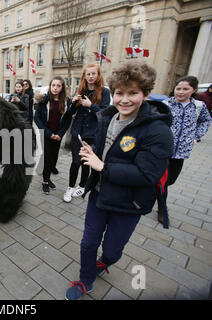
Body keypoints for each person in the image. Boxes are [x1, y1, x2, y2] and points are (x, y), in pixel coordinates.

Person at [65, 61, 173, 300]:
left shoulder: (158, 130)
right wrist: (92, 150)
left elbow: (148, 174)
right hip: (100, 195)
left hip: (129, 204)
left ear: (145, 93)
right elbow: (105, 148)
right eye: (119, 93)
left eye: (133, 93)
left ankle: (105, 263)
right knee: (87, 243)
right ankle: (86, 280)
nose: (124, 100)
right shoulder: (108, 116)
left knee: (113, 250)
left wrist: (102, 165)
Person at [157, 76, 211, 224]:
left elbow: (206, 120)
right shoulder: (166, 104)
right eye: (178, 88)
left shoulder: (199, 106)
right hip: (162, 149)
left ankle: (155, 193)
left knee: (170, 180)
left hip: (181, 151)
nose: (180, 92)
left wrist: (196, 136)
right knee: (162, 179)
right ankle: (162, 207)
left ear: (193, 90)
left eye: (185, 89)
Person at [62, 64, 111, 203]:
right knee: (76, 161)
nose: (90, 77)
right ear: (84, 76)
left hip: (93, 133)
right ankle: (70, 187)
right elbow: (70, 113)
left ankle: (82, 185)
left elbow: (105, 114)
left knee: (86, 162)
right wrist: (72, 103)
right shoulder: (80, 90)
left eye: (93, 74)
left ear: (98, 75)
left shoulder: (104, 92)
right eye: (88, 74)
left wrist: (91, 106)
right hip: (78, 131)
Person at [34, 76, 71, 194]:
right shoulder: (44, 100)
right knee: (47, 158)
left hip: (58, 136)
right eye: (53, 85)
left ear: (62, 87)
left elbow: (67, 120)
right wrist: (49, 133)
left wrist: (60, 134)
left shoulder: (66, 102)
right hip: (46, 134)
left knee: (53, 158)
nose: (55, 88)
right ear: (50, 86)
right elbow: (37, 118)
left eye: (58, 86)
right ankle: (45, 181)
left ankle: (48, 178)